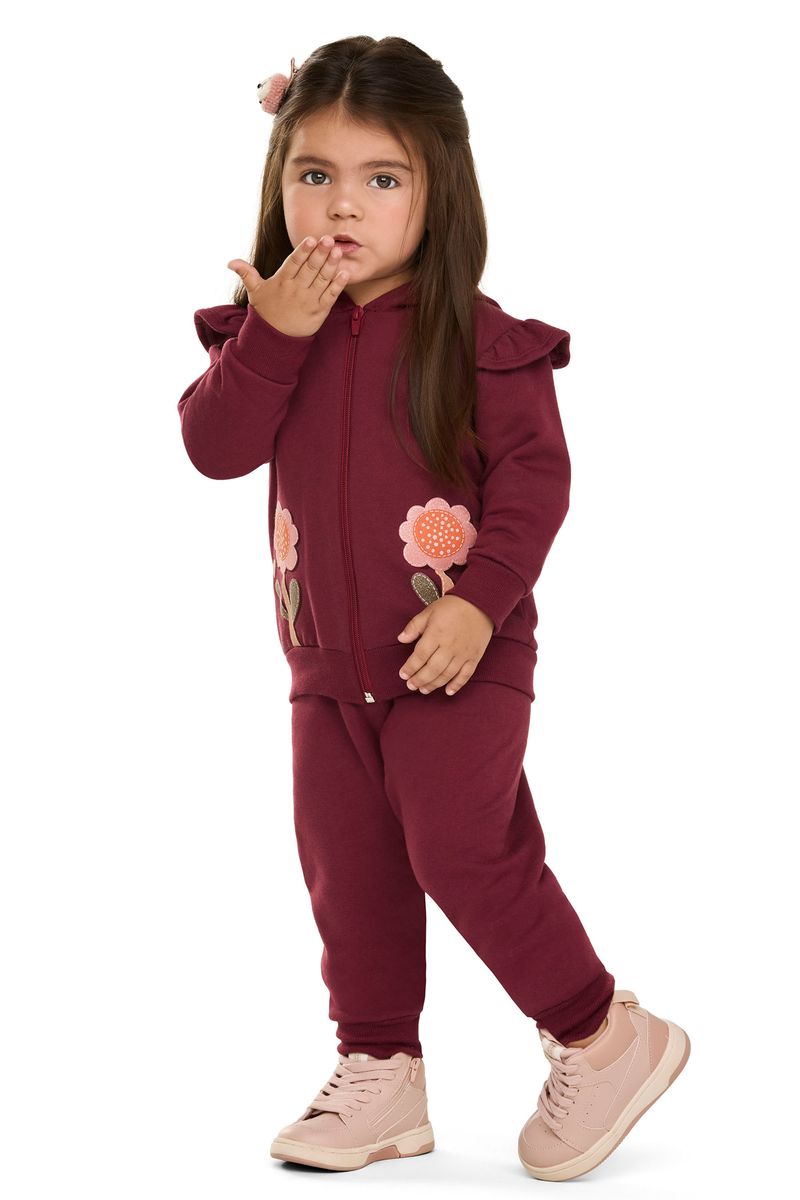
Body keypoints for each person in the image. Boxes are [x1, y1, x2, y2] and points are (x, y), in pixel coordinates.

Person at [176, 35, 690, 1182]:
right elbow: (214, 448)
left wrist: (481, 605)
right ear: (277, 181)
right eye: (314, 174)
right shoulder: (268, 332)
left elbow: (534, 484)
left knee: (460, 847)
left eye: (381, 177)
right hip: (323, 670)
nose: (341, 206)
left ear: (436, 188)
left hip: (455, 653)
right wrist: (272, 336)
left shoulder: (477, 338)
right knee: (346, 868)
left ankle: (602, 1037)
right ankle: (380, 1073)